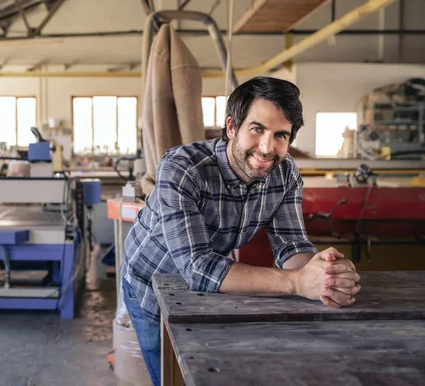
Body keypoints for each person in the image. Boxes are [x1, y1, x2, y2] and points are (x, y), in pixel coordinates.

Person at [120, 76, 361, 386]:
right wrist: (298, 282)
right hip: (149, 281)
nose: (267, 147)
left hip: (205, 284)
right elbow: (198, 268)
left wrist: (325, 276)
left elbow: (291, 244)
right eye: (257, 129)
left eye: (280, 135)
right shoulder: (182, 169)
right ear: (232, 127)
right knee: (172, 375)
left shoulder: (284, 173)